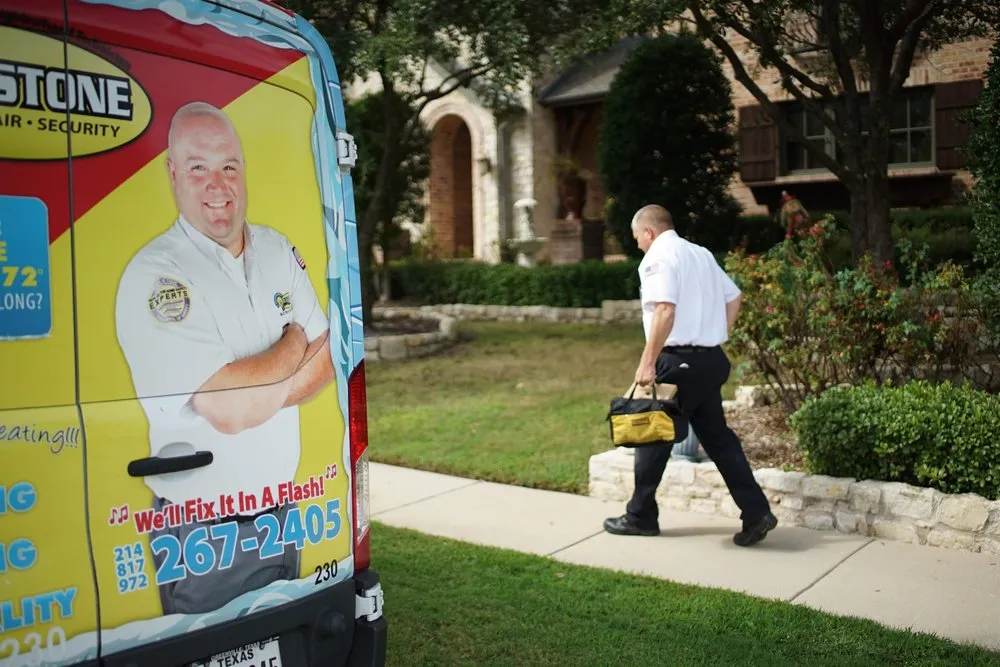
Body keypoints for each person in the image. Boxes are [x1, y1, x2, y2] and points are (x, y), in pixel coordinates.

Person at [115, 101, 334, 613]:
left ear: (243, 171)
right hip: (202, 534)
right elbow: (229, 410)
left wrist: (258, 389)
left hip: (283, 516)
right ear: (173, 173)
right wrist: (293, 343)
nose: (218, 185)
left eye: (229, 166)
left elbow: (328, 361)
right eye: (199, 168)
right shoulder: (156, 274)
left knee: (286, 646)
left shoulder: (277, 250)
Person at [603, 205, 777, 547]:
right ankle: (756, 512)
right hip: (711, 361)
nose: (637, 243)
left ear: (649, 232)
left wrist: (648, 362)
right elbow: (735, 296)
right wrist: (715, 335)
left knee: (652, 434)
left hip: (678, 363)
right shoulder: (700, 254)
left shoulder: (658, 257)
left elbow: (665, 309)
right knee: (719, 440)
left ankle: (640, 517)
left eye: (637, 236)